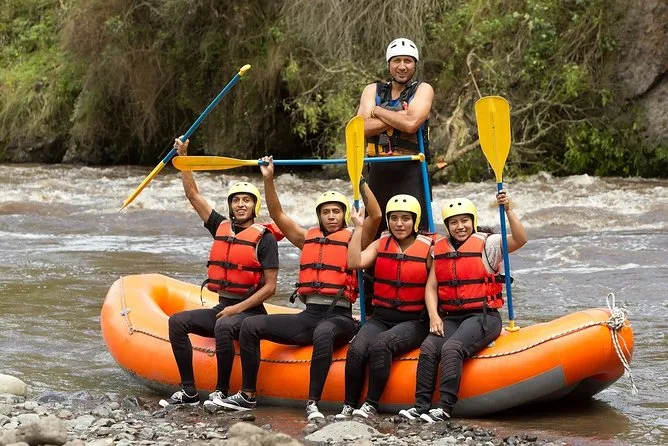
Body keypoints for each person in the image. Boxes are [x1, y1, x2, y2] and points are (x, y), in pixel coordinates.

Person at [215, 156, 381, 420]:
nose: (331, 216)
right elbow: (277, 215)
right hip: (309, 316)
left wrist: (360, 181)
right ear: (319, 216)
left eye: (336, 211)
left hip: (340, 319)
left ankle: (313, 403)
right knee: (250, 325)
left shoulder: (356, 238)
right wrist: (268, 179)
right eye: (326, 212)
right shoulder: (307, 238)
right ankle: (247, 395)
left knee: (324, 332)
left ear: (344, 214)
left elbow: (377, 215)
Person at [159, 138, 279, 408]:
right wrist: (184, 157)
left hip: (250, 312)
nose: (240, 205)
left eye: (246, 200)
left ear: (255, 206)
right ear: (230, 205)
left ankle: (221, 392)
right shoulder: (220, 226)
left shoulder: (265, 238)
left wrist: (236, 310)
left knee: (224, 324)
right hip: (224, 307)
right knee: (177, 322)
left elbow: (270, 287)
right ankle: (189, 392)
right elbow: (193, 195)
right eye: (236, 200)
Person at [399, 192, 528, 422]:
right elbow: (431, 287)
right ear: (447, 226)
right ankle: (420, 406)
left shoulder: (489, 244)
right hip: (452, 317)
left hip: (484, 316)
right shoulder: (439, 249)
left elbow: (520, 239)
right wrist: (434, 316)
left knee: (452, 348)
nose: (460, 227)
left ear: (473, 221)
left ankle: (444, 408)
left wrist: (508, 209)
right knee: (429, 347)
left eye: (465, 221)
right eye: (454, 222)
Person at [336, 194, 433, 420]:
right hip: (381, 317)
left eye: (406, 218)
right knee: (357, 348)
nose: (399, 224)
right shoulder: (381, 243)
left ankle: (371, 405)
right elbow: (354, 262)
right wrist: (358, 228)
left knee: (381, 345)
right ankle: (349, 405)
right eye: (394, 218)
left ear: (415, 220)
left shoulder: (429, 250)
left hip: (414, 320)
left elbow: (436, 285)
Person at [358, 37, 434, 236]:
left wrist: (377, 111)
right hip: (377, 172)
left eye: (407, 61)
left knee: (416, 233)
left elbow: (411, 124)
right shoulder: (371, 90)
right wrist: (400, 115)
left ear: (414, 65)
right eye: (396, 61)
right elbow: (360, 128)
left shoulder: (423, 89)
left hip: (411, 172)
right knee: (374, 234)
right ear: (388, 64)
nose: (402, 66)